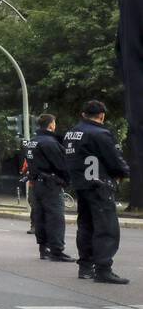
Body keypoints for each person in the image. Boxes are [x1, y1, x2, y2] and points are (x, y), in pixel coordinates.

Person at [65, 99, 130, 284]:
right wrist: (123, 173)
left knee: (85, 226)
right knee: (106, 228)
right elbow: (115, 160)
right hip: (100, 185)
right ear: (101, 116)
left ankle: (85, 267)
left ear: (83, 114)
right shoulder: (101, 133)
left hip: (81, 186)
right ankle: (103, 269)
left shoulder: (71, 134)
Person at [27, 113, 74, 262]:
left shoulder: (32, 142)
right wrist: (66, 180)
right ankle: (57, 250)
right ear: (51, 125)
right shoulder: (50, 142)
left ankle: (43, 248)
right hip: (50, 184)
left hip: (36, 184)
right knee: (55, 217)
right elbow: (61, 164)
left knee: (40, 216)